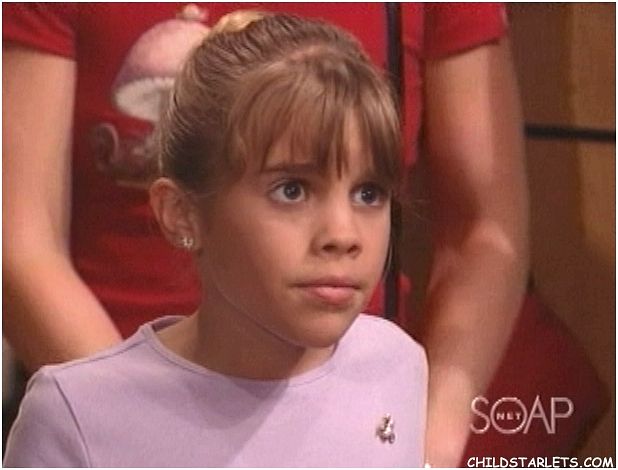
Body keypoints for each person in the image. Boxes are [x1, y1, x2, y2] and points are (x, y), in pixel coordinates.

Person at [3, 3, 528, 466]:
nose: (342, 234)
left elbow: (485, 229)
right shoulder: (72, 416)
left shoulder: (397, 368)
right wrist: (134, 420)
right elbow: (20, 241)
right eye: (292, 190)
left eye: (369, 193)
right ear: (181, 213)